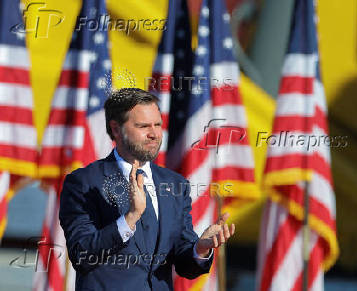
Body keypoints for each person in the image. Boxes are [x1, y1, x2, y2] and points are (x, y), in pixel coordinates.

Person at [59, 88, 235, 290]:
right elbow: (82, 255)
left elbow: (184, 264)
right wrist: (130, 218)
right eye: (143, 126)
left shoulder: (176, 185)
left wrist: (200, 249)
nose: (154, 134)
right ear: (116, 129)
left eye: (158, 124)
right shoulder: (84, 182)